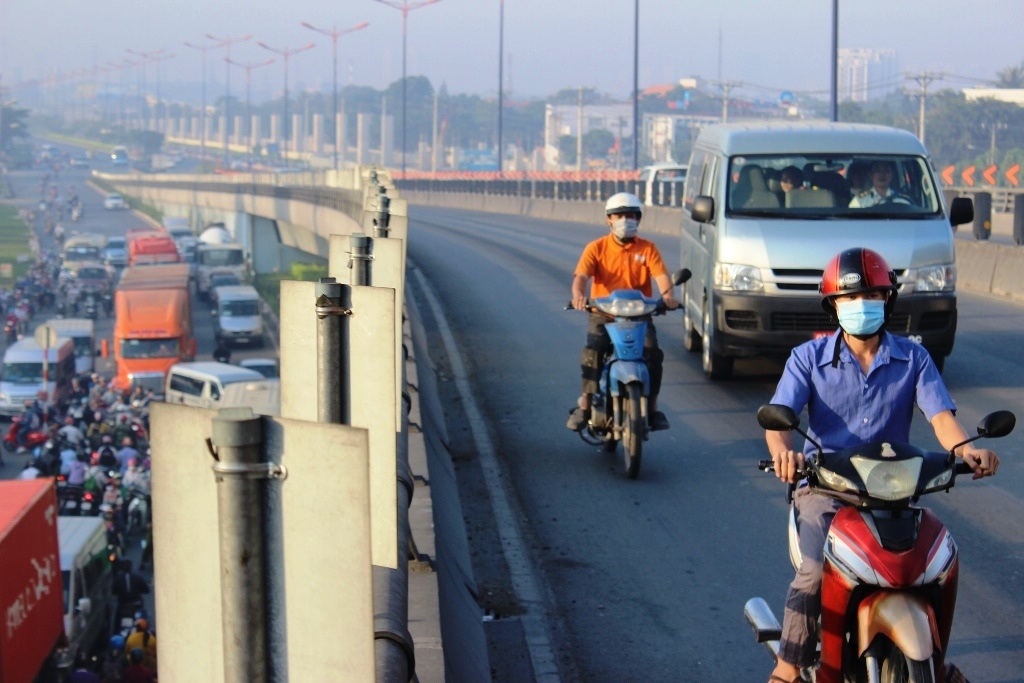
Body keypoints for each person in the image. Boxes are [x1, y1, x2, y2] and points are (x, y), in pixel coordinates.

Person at [763, 247, 1000, 683]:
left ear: (886, 300)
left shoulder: (913, 358)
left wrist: (968, 451)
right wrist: (784, 452)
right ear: (833, 305)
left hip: (895, 491)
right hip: (826, 490)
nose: (860, 305)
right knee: (815, 568)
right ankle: (788, 665)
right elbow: (780, 418)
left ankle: (937, 664)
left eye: (871, 294)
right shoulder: (807, 359)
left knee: (940, 561)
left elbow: (942, 419)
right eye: (848, 298)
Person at [566, 192, 678, 432]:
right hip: (603, 313)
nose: (625, 220)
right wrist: (579, 295)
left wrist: (668, 297)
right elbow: (581, 277)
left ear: (638, 219)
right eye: (619, 215)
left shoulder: (648, 249)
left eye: (631, 215)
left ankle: (654, 407)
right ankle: (586, 401)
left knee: (653, 354)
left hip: (639, 315)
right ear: (609, 219)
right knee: (592, 351)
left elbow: (661, 276)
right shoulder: (596, 248)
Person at [848, 159, 912, 208]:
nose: (882, 175)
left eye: (886, 170)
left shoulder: (901, 199)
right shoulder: (859, 200)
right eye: (878, 171)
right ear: (871, 175)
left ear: (892, 174)